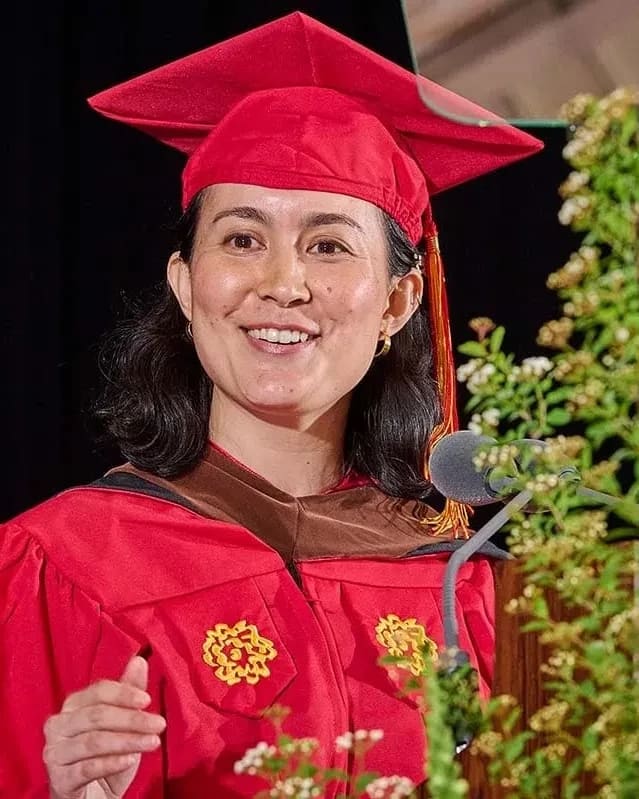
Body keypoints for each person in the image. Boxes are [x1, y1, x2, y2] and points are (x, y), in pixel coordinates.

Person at [0, 12, 542, 799]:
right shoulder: (63, 564)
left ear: (396, 303)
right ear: (186, 285)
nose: (281, 282)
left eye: (327, 245)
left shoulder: (467, 588)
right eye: (242, 239)